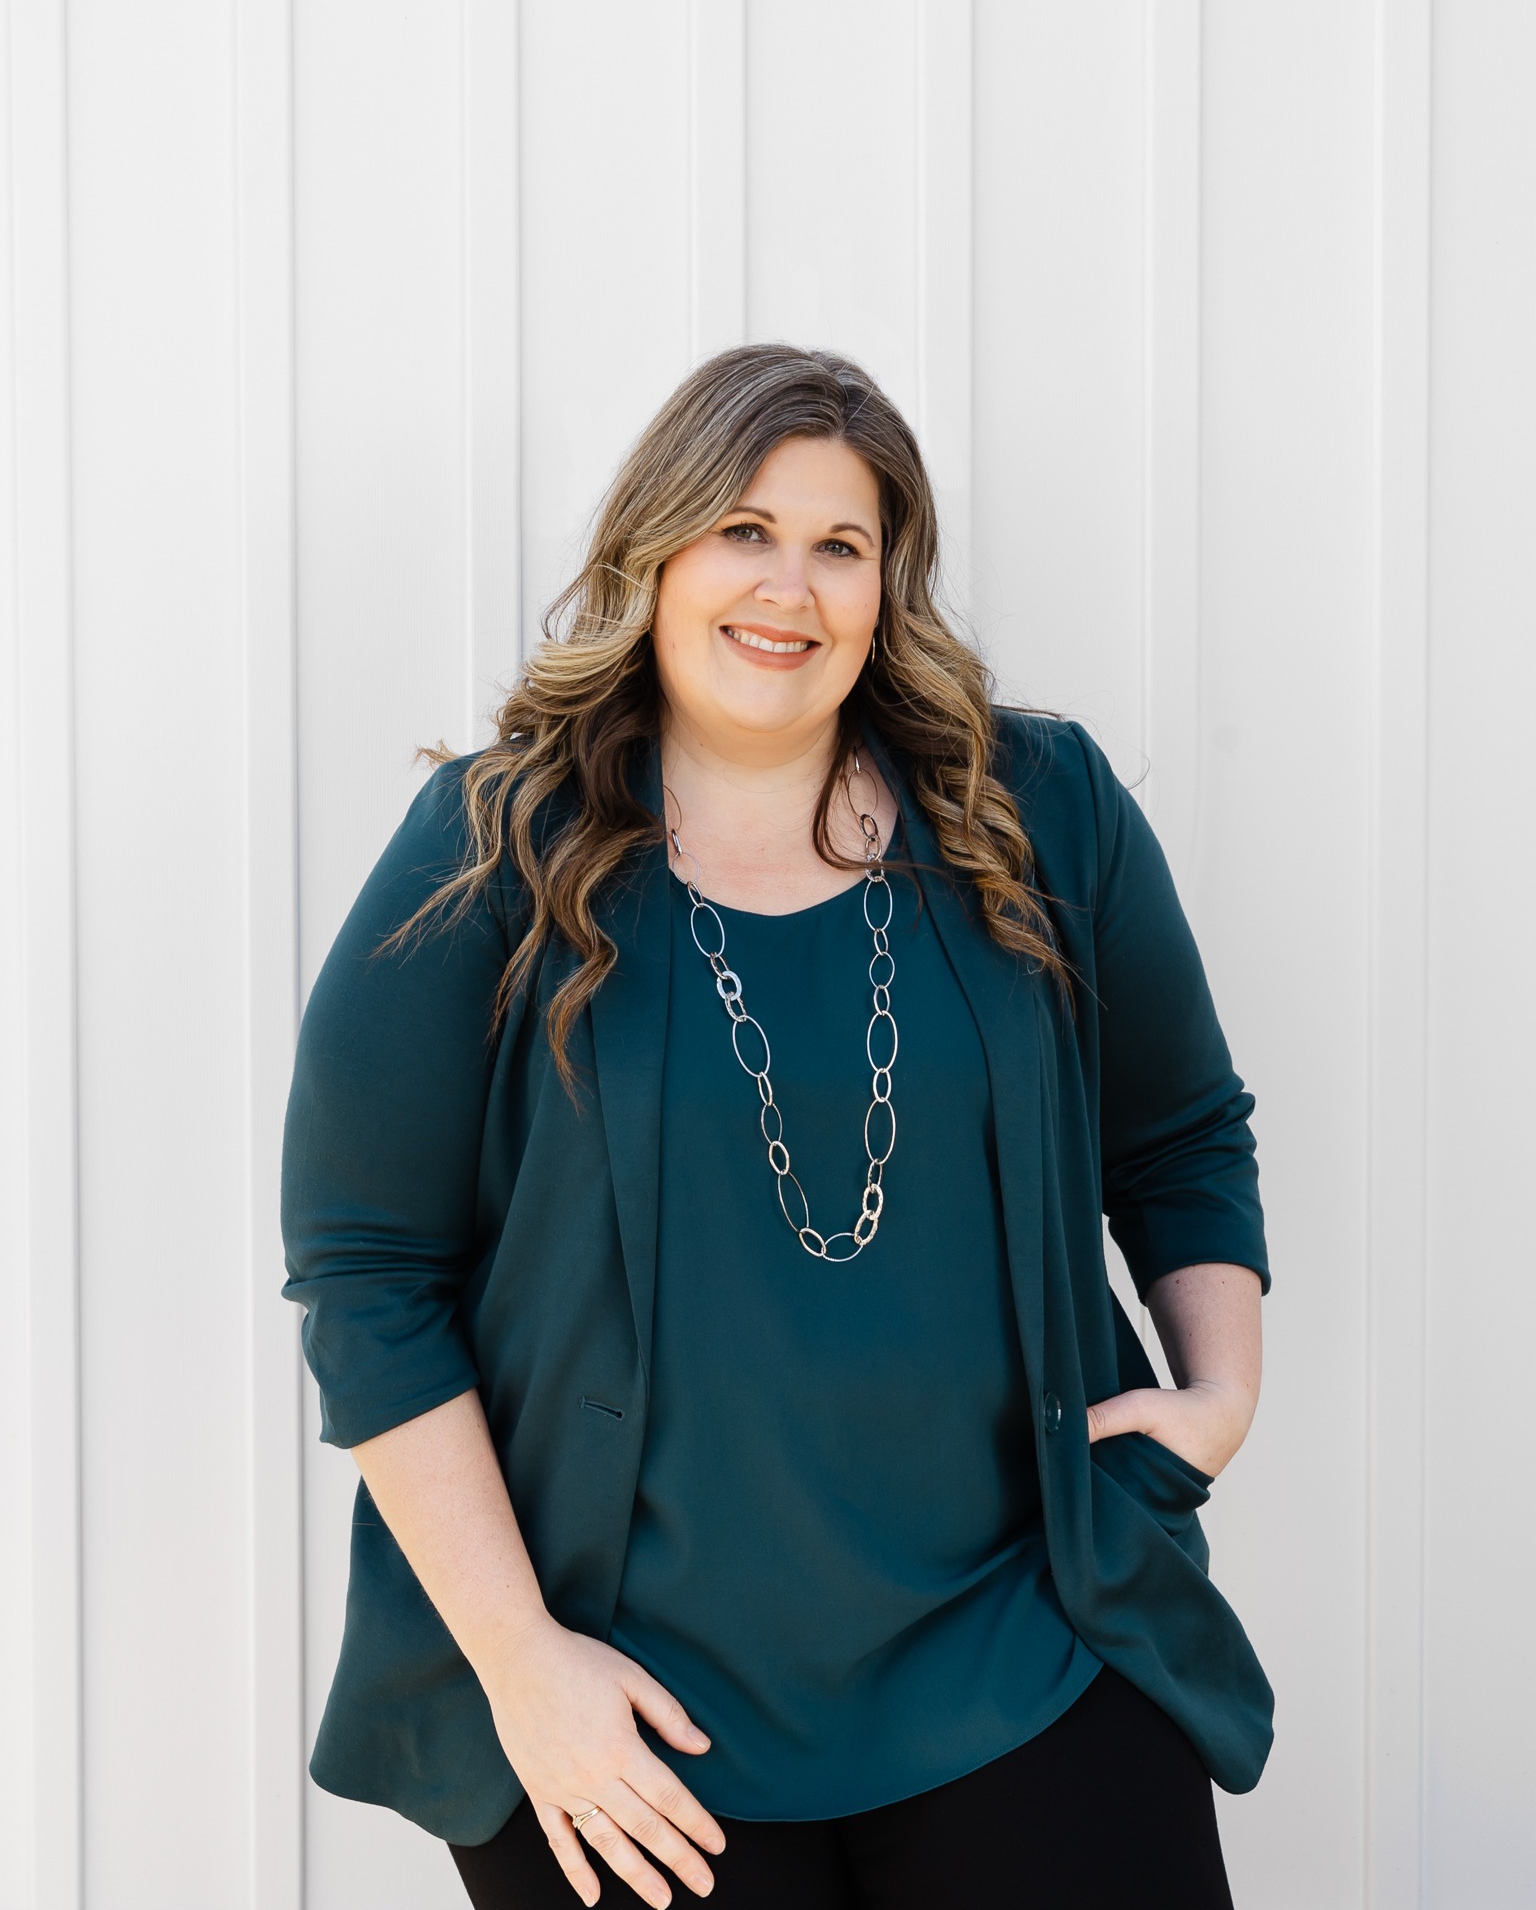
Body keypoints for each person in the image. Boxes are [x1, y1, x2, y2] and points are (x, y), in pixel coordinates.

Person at [279, 342, 1272, 1910]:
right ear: (656, 552)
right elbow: (364, 1271)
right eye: (743, 530)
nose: (787, 589)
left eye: (840, 545)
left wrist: (1221, 1390)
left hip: (1028, 1651)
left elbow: (1183, 1136)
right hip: (629, 1711)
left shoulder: (1042, 810)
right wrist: (525, 1666)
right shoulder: (489, 855)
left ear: (889, 586)